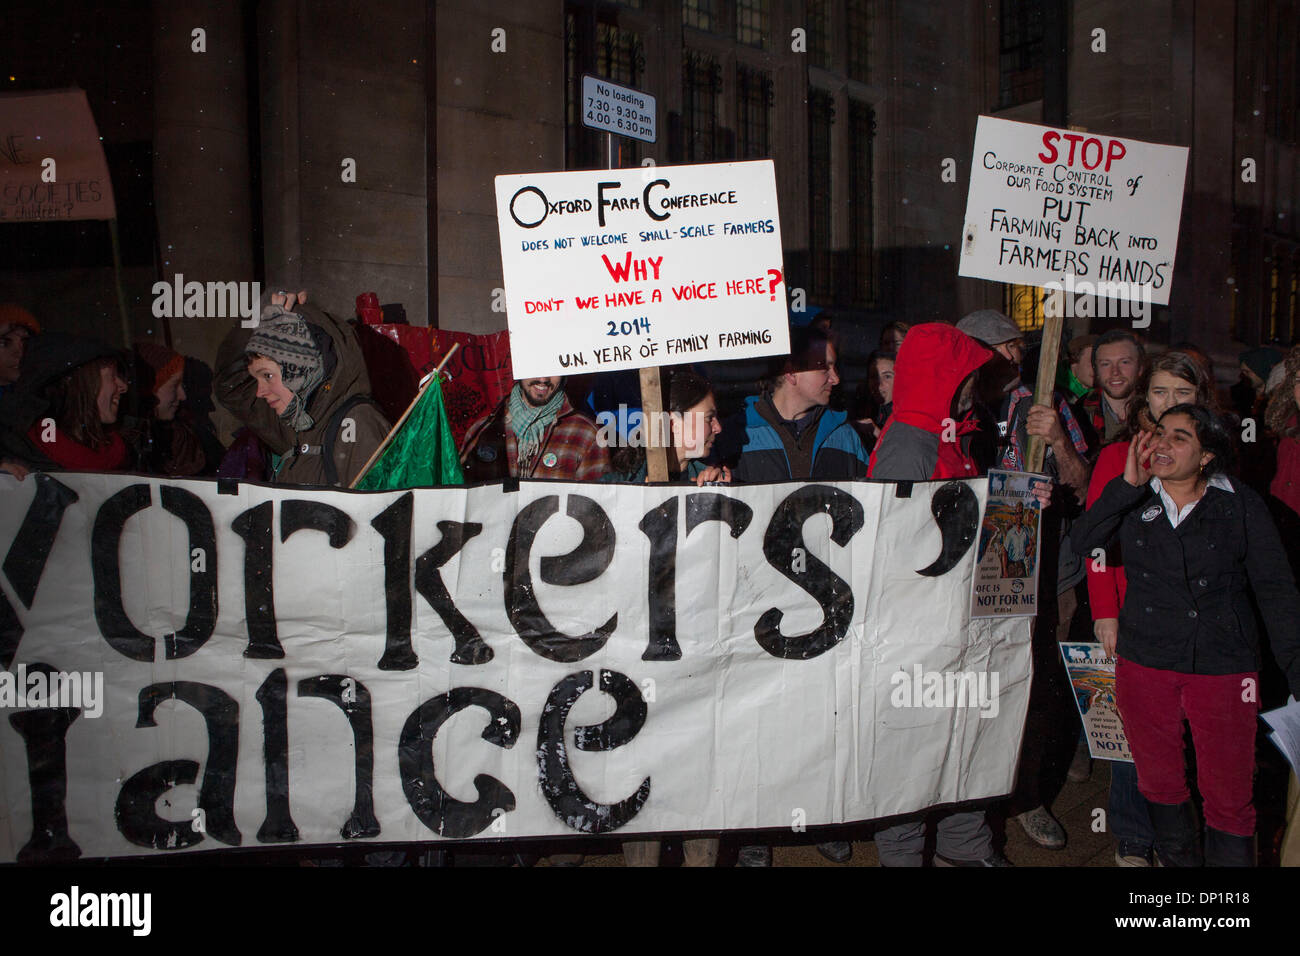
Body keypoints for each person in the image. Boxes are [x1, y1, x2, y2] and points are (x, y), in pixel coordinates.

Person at [1073, 405, 1300, 867]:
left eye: (1179, 437)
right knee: (1159, 784)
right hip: (1146, 662)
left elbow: (1276, 591)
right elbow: (1083, 543)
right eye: (1158, 433)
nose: (1161, 444)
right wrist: (1127, 487)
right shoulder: (1134, 497)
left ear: (1206, 457)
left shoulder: (1239, 502)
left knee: (1229, 796)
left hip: (1222, 666)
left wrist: (1297, 670)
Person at [868, 321, 1018, 866]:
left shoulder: (945, 431)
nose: (976, 384)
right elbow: (894, 544)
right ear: (943, 377)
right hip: (915, 630)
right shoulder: (912, 439)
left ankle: (963, 847)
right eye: (968, 374)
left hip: (952, 620)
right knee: (910, 747)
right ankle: (905, 854)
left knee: (963, 737)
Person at [1084, 350, 1218, 866]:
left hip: (1195, 620)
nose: (1168, 403)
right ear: (1145, 396)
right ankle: (1134, 836)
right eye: (1159, 392)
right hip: (1133, 615)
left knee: (1186, 734)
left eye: (1181, 394)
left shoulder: (1214, 458)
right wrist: (1105, 611)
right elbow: (1097, 542)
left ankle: (1178, 838)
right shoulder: (1118, 455)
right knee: (1133, 732)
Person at [608, 367, 726, 867]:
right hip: (639, 676)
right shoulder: (615, 489)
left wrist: (714, 511)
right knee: (643, 793)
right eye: (710, 417)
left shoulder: (707, 480)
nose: (718, 428)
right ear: (672, 422)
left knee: (701, 787)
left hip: (695, 673)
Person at [216, 295, 391, 488]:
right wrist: (258, 315)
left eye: (268, 376)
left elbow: (374, 513)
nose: (259, 392)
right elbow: (231, 385)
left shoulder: (357, 423)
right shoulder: (298, 422)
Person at [718, 325, 870, 484]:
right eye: (824, 368)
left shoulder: (844, 435)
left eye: (834, 368)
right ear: (791, 373)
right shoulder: (738, 434)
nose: (836, 379)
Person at [0, 333, 129, 474]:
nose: (123, 387)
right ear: (78, 384)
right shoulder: (16, 458)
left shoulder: (126, 451)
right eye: (112, 376)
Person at [461, 374, 608, 482]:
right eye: (534, 368)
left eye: (552, 369)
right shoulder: (482, 430)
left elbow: (595, 511)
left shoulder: (587, 434)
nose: (543, 380)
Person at [127, 342, 217, 476]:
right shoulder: (128, 445)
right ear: (149, 389)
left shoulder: (183, 438)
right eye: (174, 386)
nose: (183, 396)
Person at [1083, 329, 1146, 446]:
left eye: (1124, 362)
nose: (1115, 372)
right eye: (1106, 364)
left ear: (1140, 368)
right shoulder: (1077, 415)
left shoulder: (1155, 412)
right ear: (1095, 370)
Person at [850, 350, 895, 450]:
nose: (879, 383)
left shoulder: (908, 416)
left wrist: (876, 432)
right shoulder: (863, 407)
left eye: (887, 376)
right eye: (874, 376)